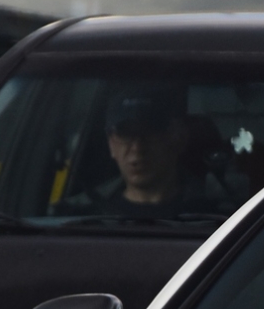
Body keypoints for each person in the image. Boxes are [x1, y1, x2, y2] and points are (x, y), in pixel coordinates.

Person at [58, 86, 241, 218]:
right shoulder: (80, 217)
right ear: (111, 144)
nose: (138, 148)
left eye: (150, 132)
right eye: (125, 134)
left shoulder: (218, 215)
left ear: (177, 139)